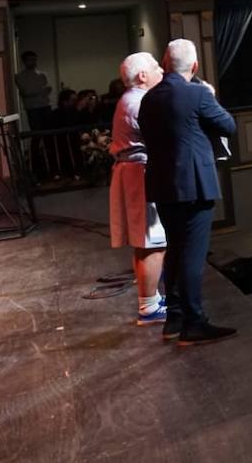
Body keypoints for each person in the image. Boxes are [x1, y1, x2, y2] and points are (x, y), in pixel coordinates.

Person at [139, 39, 237, 345]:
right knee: (192, 256)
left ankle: (175, 318)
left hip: (162, 185)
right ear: (194, 67)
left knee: (175, 250)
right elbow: (228, 126)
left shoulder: (149, 98)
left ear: (165, 64)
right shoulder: (197, 93)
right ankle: (195, 323)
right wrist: (210, 96)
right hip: (194, 184)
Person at [108, 52, 168, 326]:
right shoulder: (140, 103)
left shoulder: (131, 100)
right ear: (142, 75)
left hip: (133, 172)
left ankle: (152, 298)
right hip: (140, 174)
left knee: (146, 241)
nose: (161, 71)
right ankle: (149, 305)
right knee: (153, 240)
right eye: (156, 67)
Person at [14, 50, 53, 130]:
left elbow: (48, 89)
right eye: (30, 60)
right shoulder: (19, 76)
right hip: (33, 108)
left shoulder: (42, 75)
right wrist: (42, 90)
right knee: (36, 133)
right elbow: (26, 92)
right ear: (25, 61)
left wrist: (39, 91)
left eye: (35, 59)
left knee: (50, 132)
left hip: (46, 106)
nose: (34, 62)